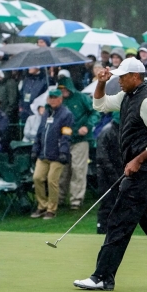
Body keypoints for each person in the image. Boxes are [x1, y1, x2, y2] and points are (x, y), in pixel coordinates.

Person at [74, 57, 147, 291]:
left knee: (119, 221)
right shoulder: (128, 96)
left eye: (123, 76)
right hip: (145, 171)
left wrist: (137, 160)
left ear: (136, 77)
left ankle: (101, 277)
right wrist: (100, 83)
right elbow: (100, 105)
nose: (119, 80)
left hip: (146, 171)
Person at [57, 77, 99, 210]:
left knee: (78, 169)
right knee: (62, 171)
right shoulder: (58, 100)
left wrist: (87, 126)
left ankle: (76, 200)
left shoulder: (81, 98)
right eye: (61, 89)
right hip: (64, 139)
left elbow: (95, 112)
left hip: (81, 139)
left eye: (64, 88)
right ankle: (59, 198)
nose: (63, 91)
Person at [30, 88, 73, 220]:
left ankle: (51, 209)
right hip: (43, 154)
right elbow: (40, 132)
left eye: (55, 98)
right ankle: (42, 205)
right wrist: (35, 149)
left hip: (58, 155)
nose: (53, 100)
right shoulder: (46, 113)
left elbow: (67, 135)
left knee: (52, 180)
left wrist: (64, 152)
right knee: (37, 178)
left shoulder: (66, 114)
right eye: (51, 98)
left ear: (60, 99)